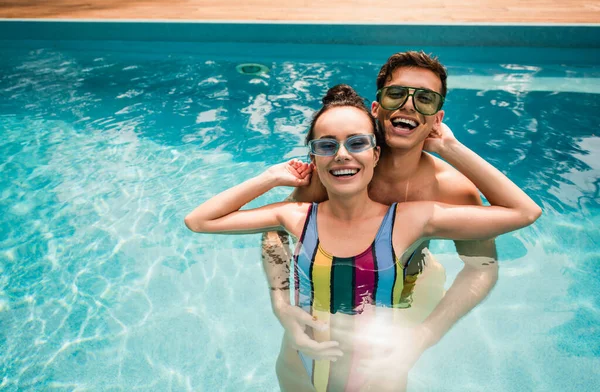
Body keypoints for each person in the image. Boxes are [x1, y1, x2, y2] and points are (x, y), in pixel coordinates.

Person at [185, 84, 541, 391]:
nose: (341, 154)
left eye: (356, 143)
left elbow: (522, 213)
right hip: (300, 363)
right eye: (326, 146)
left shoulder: (411, 216)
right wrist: (270, 177)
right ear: (313, 156)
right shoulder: (301, 208)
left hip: (381, 358)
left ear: (375, 153)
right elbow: (208, 222)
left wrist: (451, 148)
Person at [261, 51, 507, 382]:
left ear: (437, 117)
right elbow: (277, 230)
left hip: (410, 290)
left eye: (424, 99)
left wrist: (423, 336)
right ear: (377, 109)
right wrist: (280, 303)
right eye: (397, 94)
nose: (408, 106)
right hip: (330, 289)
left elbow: (482, 267)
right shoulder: (343, 169)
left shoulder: (451, 190)